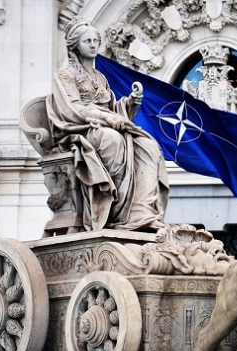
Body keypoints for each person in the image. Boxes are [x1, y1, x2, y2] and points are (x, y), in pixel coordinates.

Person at [47, 17, 168, 232]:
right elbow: (73, 109)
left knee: (149, 147)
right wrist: (108, 118)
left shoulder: (100, 77)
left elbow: (114, 108)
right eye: (87, 41)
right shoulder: (65, 74)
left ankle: (141, 212)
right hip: (82, 130)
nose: (93, 45)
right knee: (113, 140)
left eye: (96, 40)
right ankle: (115, 212)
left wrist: (130, 102)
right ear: (75, 45)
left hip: (106, 127)